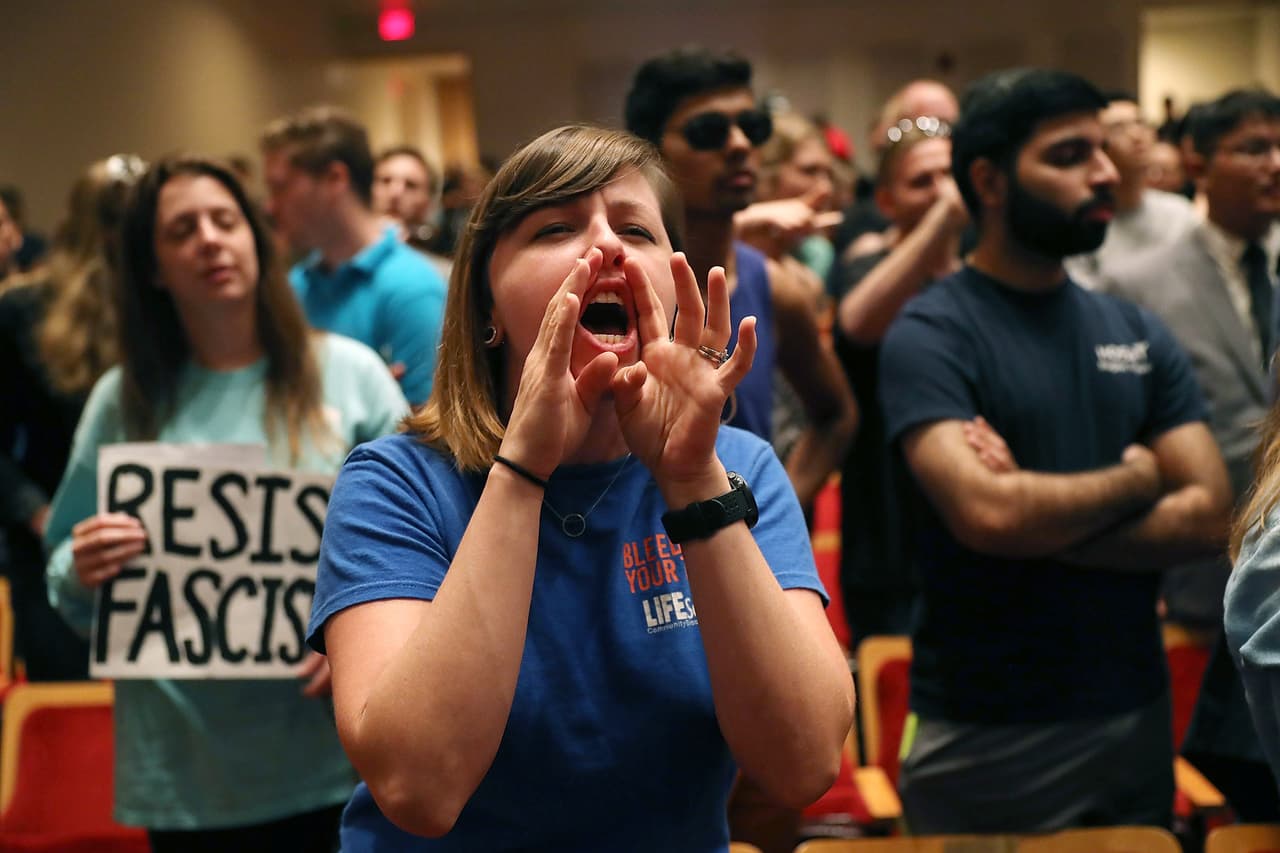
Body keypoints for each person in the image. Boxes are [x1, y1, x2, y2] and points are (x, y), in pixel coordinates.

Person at [308, 125, 854, 852]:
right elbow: (419, 787)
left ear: (675, 278)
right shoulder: (396, 482)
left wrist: (691, 481)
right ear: (488, 308)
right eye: (555, 228)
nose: (606, 246)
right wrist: (524, 467)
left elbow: (802, 763)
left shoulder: (740, 469)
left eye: (635, 228)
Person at [880, 68, 1232, 833]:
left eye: (1103, 150)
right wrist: (1140, 475)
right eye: (1071, 154)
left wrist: (1039, 525)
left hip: (1133, 719)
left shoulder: (1134, 329)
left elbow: (1209, 513)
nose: (1105, 172)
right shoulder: (931, 332)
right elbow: (985, 512)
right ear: (989, 180)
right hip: (983, 736)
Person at [43, 156, 408, 851]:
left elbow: (425, 541)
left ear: (256, 239)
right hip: (187, 774)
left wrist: (365, 637)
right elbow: (62, 572)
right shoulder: (123, 400)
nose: (210, 240)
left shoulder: (351, 374)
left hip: (334, 758)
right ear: (152, 267)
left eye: (225, 221)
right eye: (183, 230)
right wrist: (83, 563)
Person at [1104, 87, 1280, 821]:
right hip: (1207, 572)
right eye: (1252, 148)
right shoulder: (1139, 283)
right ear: (1198, 163)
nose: (1276, 163)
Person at [624, 48, 856, 516]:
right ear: (651, 151)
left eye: (752, 128)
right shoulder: (620, 286)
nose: (738, 145)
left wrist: (776, 508)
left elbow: (836, 416)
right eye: (708, 132)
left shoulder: (773, 287)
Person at [0, 155, 140, 680]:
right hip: (54, 549)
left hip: (158, 550)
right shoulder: (22, 310)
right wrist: (39, 514)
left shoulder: (172, 309)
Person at [831, 122, 965, 646]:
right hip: (886, 531)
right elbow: (859, 323)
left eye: (950, 175)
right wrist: (942, 221)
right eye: (922, 181)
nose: (942, 191)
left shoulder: (982, 273)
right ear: (886, 202)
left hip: (966, 529)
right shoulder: (865, 262)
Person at [261, 106, 447, 406]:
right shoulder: (295, 288)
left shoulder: (412, 287)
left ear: (335, 178)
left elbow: (425, 433)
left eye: (280, 187)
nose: (271, 206)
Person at [1065, 92, 1199, 289]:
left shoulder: (1180, 213)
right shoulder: (1082, 221)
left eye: (1141, 123)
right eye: (1119, 128)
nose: (1136, 135)